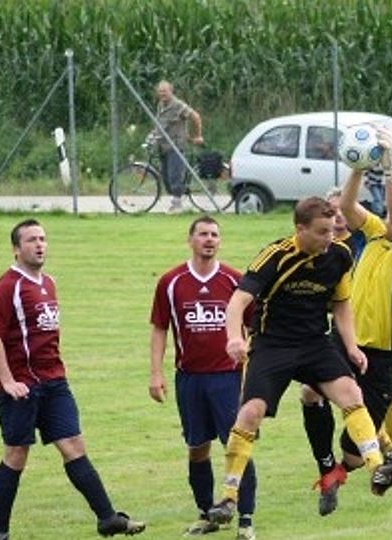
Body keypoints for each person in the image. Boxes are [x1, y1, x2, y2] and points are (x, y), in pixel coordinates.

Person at [205, 197, 392, 527]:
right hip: (273, 345)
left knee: (351, 394)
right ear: (300, 229)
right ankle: (228, 498)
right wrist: (233, 338)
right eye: (323, 231)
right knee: (250, 412)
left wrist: (352, 346)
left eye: (333, 230)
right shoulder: (276, 255)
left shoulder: (340, 256)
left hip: (314, 343)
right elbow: (239, 300)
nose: (331, 237)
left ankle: (375, 465)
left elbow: (341, 304)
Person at [0, 219, 145, 540]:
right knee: (16, 453)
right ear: (16, 249)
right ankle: (0, 532)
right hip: (21, 387)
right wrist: (8, 381)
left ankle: (107, 518)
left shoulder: (48, 282)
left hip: (54, 382)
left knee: (73, 445)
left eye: (42, 239)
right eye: (30, 240)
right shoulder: (8, 285)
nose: (39, 245)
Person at [301, 130, 392, 515]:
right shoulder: (371, 232)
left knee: (355, 450)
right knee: (310, 393)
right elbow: (350, 204)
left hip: (385, 354)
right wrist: (356, 168)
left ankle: (345, 471)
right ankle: (327, 470)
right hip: (346, 339)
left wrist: (390, 167)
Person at [148, 216, 257, 540]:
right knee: (197, 448)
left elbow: (255, 325)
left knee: (236, 445)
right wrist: (155, 373)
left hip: (228, 378)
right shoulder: (171, 281)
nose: (209, 239)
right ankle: (205, 513)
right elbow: (159, 328)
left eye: (215, 235)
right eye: (203, 234)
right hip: (190, 379)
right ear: (190, 240)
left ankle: (246, 520)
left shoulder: (235, 281)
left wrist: (248, 352)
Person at [152, 80, 204, 213]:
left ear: (171, 91)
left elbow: (196, 117)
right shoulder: (160, 105)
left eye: (165, 91)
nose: (162, 94)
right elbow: (160, 124)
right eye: (160, 91)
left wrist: (197, 136)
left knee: (174, 175)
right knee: (165, 177)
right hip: (163, 145)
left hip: (176, 145)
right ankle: (177, 196)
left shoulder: (178, 105)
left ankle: (177, 204)